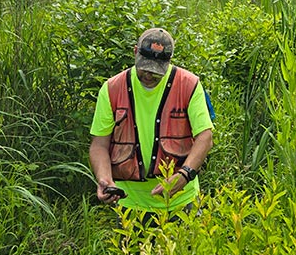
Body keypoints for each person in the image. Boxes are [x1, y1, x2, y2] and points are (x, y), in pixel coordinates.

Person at [89, 27, 213, 221]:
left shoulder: (189, 84)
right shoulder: (112, 88)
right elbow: (99, 144)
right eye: (145, 67)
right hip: (130, 203)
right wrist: (104, 178)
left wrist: (184, 175)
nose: (149, 75)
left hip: (181, 201)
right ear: (135, 51)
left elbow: (205, 137)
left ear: (169, 61)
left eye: (156, 71)